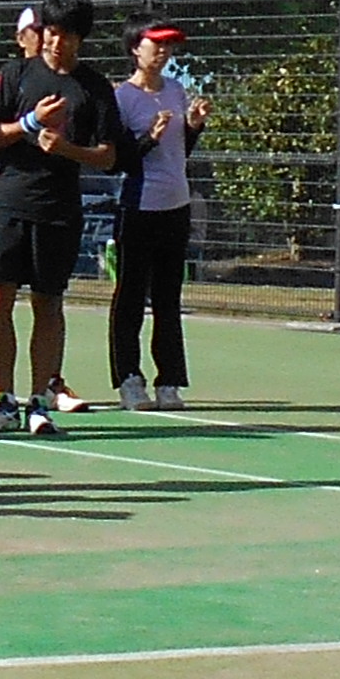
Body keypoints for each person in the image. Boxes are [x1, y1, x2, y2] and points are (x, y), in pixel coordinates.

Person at [0, 0, 124, 433]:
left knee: (48, 302)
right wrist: (30, 124)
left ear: (80, 39)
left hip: (59, 209)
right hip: (8, 201)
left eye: (66, 35)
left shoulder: (93, 88)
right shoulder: (15, 76)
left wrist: (69, 149)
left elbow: (110, 157)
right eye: (51, 32)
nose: (57, 42)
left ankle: (40, 401)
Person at [108, 23, 208, 412]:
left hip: (175, 207)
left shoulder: (175, 90)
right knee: (131, 296)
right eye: (157, 45)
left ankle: (170, 381)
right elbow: (119, 160)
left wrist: (194, 125)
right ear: (136, 48)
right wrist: (149, 136)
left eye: (169, 47)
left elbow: (181, 152)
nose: (164, 53)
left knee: (168, 298)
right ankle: (129, 380)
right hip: (138, 208)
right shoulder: (122, 98)